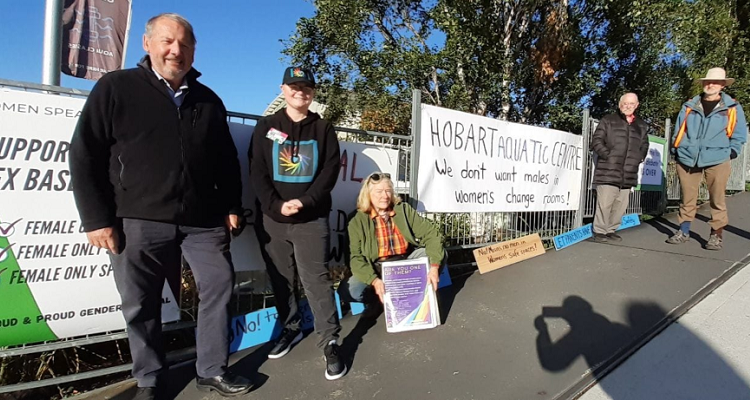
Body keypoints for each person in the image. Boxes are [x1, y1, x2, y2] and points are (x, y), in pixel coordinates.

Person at [69, 13, 252, 400]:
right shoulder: (116, 87)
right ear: (147, 44)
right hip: (137, 218)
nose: (176, 50)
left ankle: (212, 370)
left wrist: (231, 205)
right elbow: (85, 154)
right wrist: (97, 219)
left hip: (202, 221)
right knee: (140, 302)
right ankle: (149, 379)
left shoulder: (208, 100)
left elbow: (225, 161)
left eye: (185, 44)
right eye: (168, 41)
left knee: (219, 284)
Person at [249, 67, 346, 380]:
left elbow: (329, 173)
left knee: (316, 280)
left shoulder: (324, 129)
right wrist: (277, 205)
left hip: (311, 219)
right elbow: (257, 171)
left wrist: (304, 202)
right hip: (272, 220)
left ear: (313, 93)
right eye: (294, 86)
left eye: (306, 87)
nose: (300, 91)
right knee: (281, 278)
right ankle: (290, 328)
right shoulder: (267, 126)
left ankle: (330, 341)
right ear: (283, 89)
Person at [667, 68, 748, 250]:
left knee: (717, 199)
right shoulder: (689, 105)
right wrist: (676, 149)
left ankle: (716, 234)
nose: (710, 85)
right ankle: (684, 230)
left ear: (722, 85)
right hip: (687, 157)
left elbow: (739, 133)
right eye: (707, 81)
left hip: (718, 157)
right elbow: (679, 129)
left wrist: (731, 152)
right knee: (687, 198)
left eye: (715, 82)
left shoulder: (732, 107)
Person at [341, 172, 446, 308]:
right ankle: (378, 302)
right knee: (350, 290)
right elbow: (354, 257)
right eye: (379, 191)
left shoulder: (403, 210)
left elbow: (431, 233)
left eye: (388, 191)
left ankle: (416, 294)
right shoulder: (356, 219)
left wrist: (434, 267)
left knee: (437, 255)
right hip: (376, 267)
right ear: (368, 194)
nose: (385, 196)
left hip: (405, 263)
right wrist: (374, 280)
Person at [590, 93, 650, 243]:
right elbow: (596, 141)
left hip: (629, 172)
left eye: (631, 103)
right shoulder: (608, 120)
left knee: (620, 205)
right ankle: (599, 231)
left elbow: (644, 144)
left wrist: (639, 157)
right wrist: (607, 156)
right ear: (619, 104)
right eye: (625, 103)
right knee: (604, 203)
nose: (628, 106)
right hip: (608, 170)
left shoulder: (642, 126)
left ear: (637, 105)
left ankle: (611, 230)